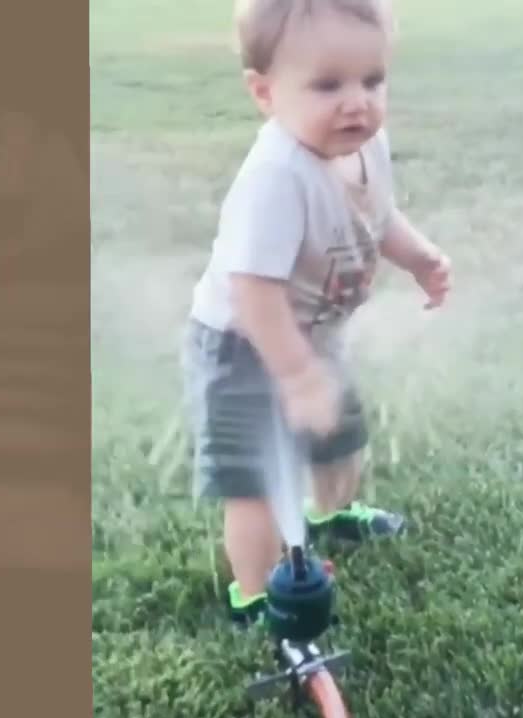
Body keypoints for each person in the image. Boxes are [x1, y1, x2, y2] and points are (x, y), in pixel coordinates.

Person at [182, 0, 452, 627]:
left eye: (372, 80)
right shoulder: (277, 175)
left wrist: (418, 258)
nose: (356, 102)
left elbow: (378, 216)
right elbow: (253, 290)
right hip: (244, 346)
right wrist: (297, 375)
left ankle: (331, 514)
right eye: (328, 85)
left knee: (340, 438)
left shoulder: (366, 146)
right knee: (253, 484)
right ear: (265, 93)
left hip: (317, 334)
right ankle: (254, 595)